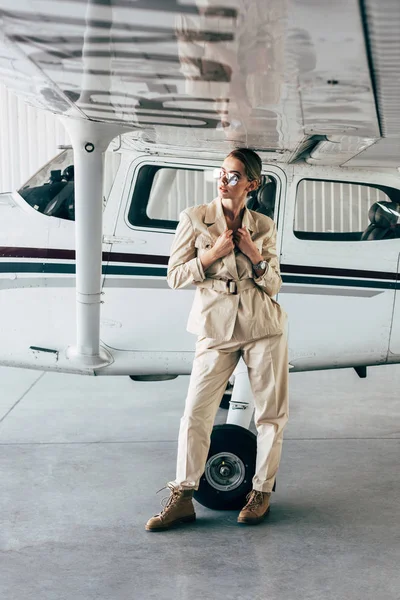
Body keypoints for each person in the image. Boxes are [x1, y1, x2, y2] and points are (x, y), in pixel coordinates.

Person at [145, 148, 288, 531]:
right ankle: (183, 496)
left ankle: (261, 492)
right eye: (222, 173)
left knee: (271, 416)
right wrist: (213, 255)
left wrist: (253, 253)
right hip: (214, 328)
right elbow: (174, 276)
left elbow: (274, 283)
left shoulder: (264, 225)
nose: (224, 181)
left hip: (262, 326)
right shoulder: (194, 219)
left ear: (252, 184)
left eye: (235, 176)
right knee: (195, 413)